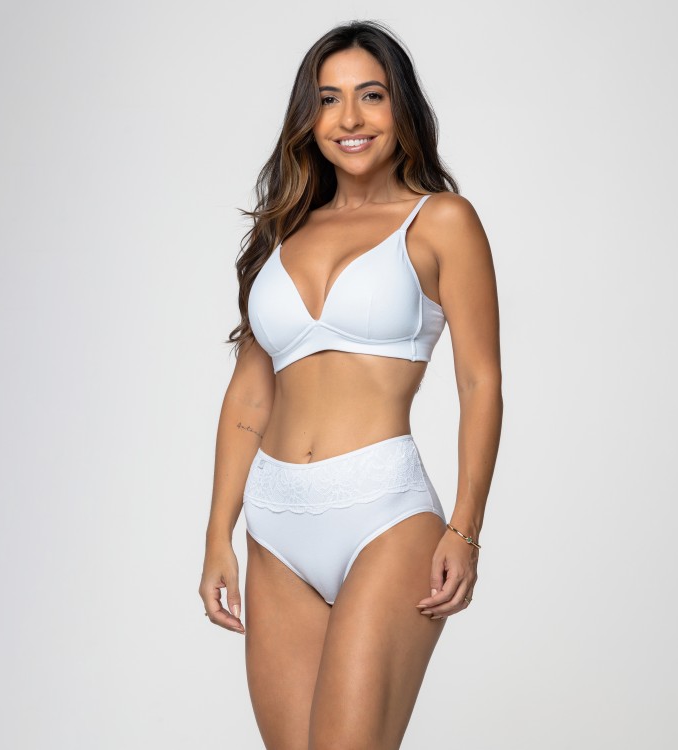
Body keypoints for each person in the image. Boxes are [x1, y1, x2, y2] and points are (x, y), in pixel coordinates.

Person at [199, 19, 502, 750]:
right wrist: (218, 534)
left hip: (383, 514)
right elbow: (250, 395)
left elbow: (479, 381)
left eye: (371, 95)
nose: (350, 119)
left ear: (401, 107)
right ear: (309, 118)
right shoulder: (281, 233)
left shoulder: (441, 220)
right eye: (329, 99)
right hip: (275, 524)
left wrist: (466, 528)